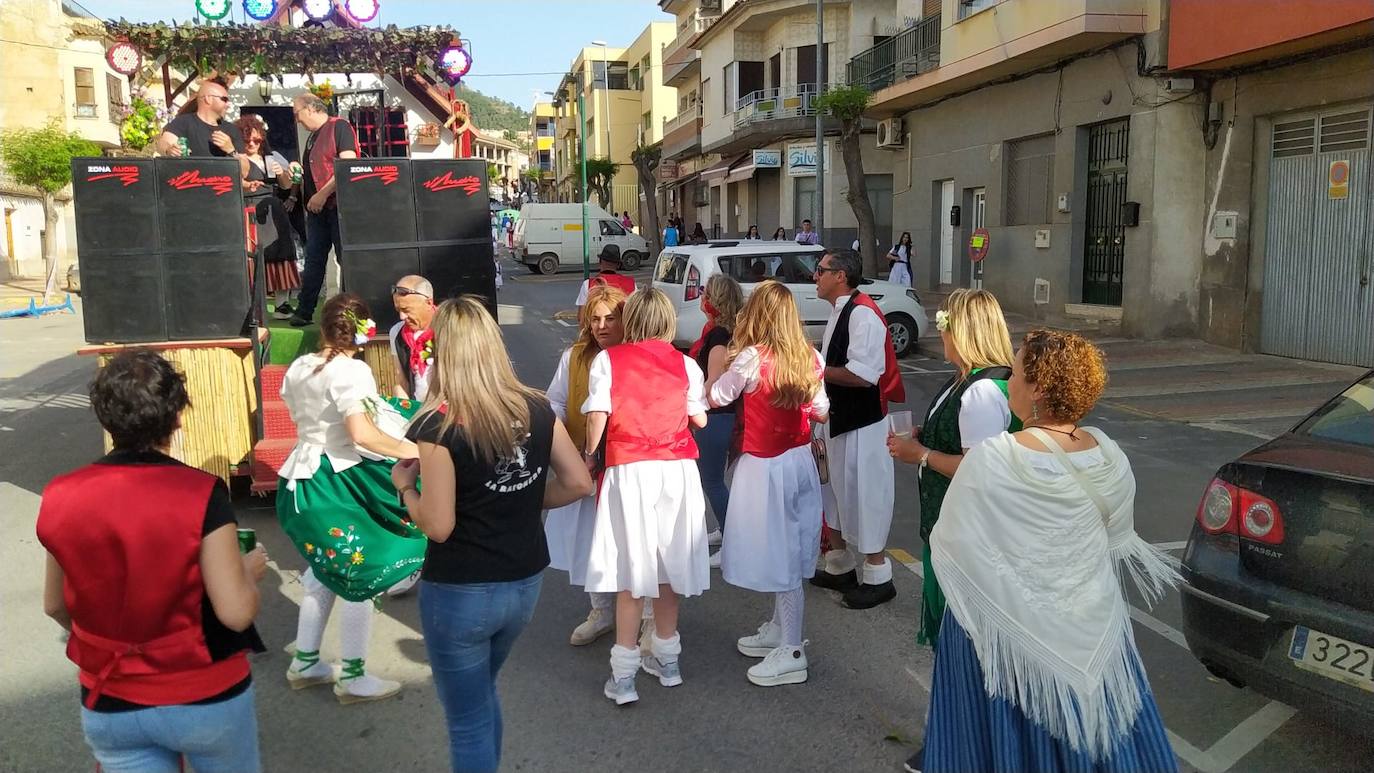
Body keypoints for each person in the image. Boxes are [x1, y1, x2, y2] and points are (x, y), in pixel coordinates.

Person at [919, 329, 1179, 773]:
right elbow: (1115, 539)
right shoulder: (1109, 453)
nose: (1010, 383)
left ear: (1038, 388)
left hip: (1004, 636)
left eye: (1016, 373)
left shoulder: (995, 457)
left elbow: (952, 543)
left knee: (996, 748)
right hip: (1093, 624)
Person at [37, 350, 268, 773]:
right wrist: (249, 573)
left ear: (105, 418)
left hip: (110, 697)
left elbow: (55, 605)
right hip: (204, 692)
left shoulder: (60, 493)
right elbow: (235, 613)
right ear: (176, 417)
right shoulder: (200, 491)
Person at [394, 297, 594, 773]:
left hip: (461, 588)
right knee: (481, 701)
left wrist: (405, 489)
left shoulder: (438, 425)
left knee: (467, 720)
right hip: (523, 583)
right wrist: (522, 499)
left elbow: (438, 525)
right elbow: (579, 482)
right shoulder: (537, 407)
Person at [885, 289, 1017, 773]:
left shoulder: (981, 390)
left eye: (945, 322)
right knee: (968, 641)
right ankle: (963, 737)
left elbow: (979, 468)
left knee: (961, 641)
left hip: (964, 534)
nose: (938, 330)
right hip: (962, 531)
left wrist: (920, 455)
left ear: (964, 330)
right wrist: (923, 435)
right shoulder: (976, 380)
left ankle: (955, 743)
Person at [276, 293, 427, 704]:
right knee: (364, 573)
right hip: (335, 483)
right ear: (362, 332)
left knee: (323, 572)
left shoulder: (300, 367)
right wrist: (416, 450)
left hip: (299, 482)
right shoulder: (350, 372)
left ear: (324, 327)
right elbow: (361, 435)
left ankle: (306, 661)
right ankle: (353, 676)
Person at [584, 288, 710, 706]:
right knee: (667, 567)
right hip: (676, 469)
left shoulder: (609, 360)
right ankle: (667, 660)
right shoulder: (687, 363)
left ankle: (623, 677)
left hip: (630, 468)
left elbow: (598, 414)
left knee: (631, 569)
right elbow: (700, 419)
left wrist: (589, 456)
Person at [710, 281, 829, 687]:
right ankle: (781, 629)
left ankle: (793, 649)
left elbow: (718, 398)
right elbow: (822, 411)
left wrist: (722, 371)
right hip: (798, 462)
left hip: (764, 467)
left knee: (780, 553)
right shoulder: (809, 356)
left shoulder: (749, 359)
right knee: (791, 544)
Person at [808, 249, 906, 609]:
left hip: (864, 424)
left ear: (841, 276)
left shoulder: (863, 314)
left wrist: (816, 369)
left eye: (821, 270)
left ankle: (878, 576)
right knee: (834, 493)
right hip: (840, 419)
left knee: (865, 497)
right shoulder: (842, 311)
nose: (815, 276)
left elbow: (864, 376)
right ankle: (839, 565)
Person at [545, 284, 629, 645]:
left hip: (626, 463)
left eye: (610, 318)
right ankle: (602, 610)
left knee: (628, 539)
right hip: (584, 461)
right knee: (589, 539)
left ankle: (639, 613)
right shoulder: (575, 356)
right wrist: (561, 434)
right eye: (595, 318)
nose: (601, 325)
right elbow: (556, 400)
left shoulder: (636, 356)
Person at [287, 94, 359, 327]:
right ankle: (305, 309)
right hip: (318, 210)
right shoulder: (312, 137)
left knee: (344, 259)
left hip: (339, 207)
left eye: (297, 114)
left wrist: (323, 194)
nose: (297, 120)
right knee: (314, 259)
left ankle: (350, 313)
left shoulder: (340, 127)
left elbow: (347, 165)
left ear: (310, 108)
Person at [689, 273, 743, 566]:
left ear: (714, 300)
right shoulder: (718, 330)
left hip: (715, 417)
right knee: (711, 479)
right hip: (719, 416)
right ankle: (726, 531)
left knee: (711, 480)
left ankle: (732, 544)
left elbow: (714, 382)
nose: (700, 297)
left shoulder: (719, 335)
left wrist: (688, 398)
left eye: (704, 292)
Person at [236, 115, 301, 320]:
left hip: (274, 209)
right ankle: (254, 305)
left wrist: (281, 173)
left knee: (281, 252)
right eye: (248, 141)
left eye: (257, 140)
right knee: (254, 256)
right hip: (250, 209)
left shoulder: (272, 156)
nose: (252, 144)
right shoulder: (236, 159)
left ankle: (282, 303)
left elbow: (284, 185)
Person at [155, 77, 249, 180]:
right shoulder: (183, 122)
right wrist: (169, 150)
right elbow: (162, 143)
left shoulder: (232, 130)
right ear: (208, 98)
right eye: (224, 99)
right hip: (191, 189)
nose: (228, 105)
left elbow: (244, 172)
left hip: (223, 192)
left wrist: (231, 151)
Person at [388, 275, 437, 401]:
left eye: (406, 310)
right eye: (398, 310)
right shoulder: (397, 332)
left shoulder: (449, 328)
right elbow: (401, 382)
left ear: (429, 303)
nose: (402, 316)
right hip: (417, 411)